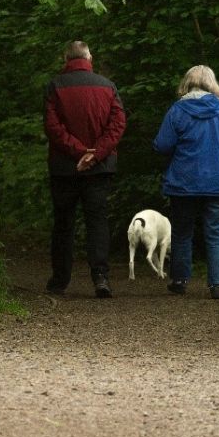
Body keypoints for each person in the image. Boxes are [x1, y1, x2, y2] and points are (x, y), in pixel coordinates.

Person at [43, 41, 126, 298]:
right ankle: (100, 277)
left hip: (64, 167)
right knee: (97, 221)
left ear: (65, 58)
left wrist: (80, 152)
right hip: (100, 167)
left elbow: (52, 127)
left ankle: (59, 280)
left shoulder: (55, 86)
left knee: (64, 223)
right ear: (89, 57)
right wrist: (95, 154)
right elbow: (118, 124)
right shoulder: (108, 86)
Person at [153, 65, 219, 299]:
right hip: (218, 180)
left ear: (187, 83)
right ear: (212, 84)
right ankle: (218, 285)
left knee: (182, 232)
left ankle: (180, 280)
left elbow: (162, 145)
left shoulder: (177, 110)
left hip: (184, 182)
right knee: (216, 232)